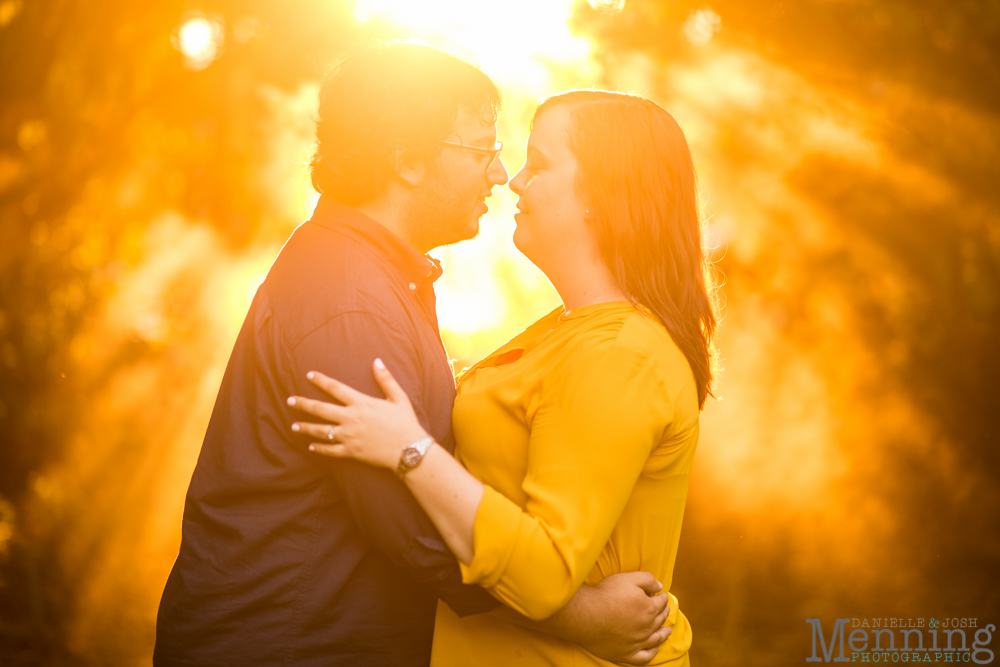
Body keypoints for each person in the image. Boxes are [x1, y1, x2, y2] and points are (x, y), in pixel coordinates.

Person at [154, 45, 673, 667]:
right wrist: (585, 617)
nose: (499, 174)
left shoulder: (367, 273)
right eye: (483, 150)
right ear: (407, 161)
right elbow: (417, 530)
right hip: (290, 645)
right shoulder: (350, 305)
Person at [288, 89, 718, 666]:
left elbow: (545, 575)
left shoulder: (622, 353)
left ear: (601, 195)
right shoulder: (567, 329)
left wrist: (411, 451)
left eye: (538, 165)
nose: (513, 181)